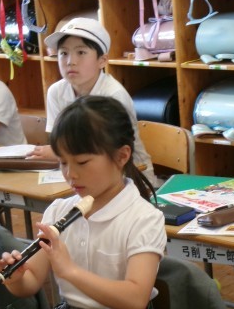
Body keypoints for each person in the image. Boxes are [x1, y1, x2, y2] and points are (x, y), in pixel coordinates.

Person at [0, 95, 166, 309]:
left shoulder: (143, 217)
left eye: (82, 162)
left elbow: (135, 300)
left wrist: (70, 271)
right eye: (63, 162)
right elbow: (31, 281)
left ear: (121, 156)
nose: (70, 174)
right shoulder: (59, 210)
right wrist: (16, 279)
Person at [30, 17, 157, 186]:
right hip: (81, 175)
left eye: (81, 53)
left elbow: (105, 152)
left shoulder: (113, 96)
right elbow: (57, 141)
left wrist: (58, 153)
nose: (70, 61)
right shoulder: (56, 92)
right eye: (64, 53)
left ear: (102, 61)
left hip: (127, 178)